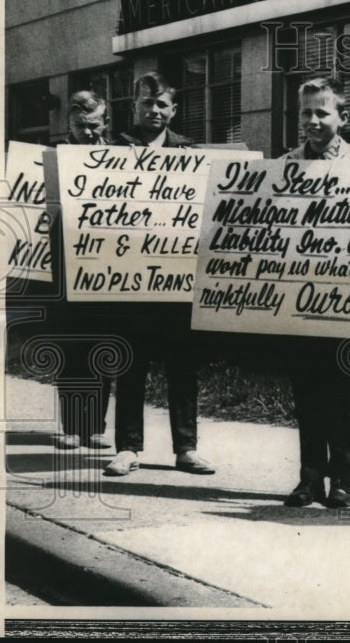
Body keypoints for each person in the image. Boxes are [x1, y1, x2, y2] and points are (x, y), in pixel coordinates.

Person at [104, 72, 214, 477]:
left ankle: (186, 448)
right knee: (130, 364)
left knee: (183, 365)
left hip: (177, 279)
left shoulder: (190, 152)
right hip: (130, 277)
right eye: (147, 104)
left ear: (174, 110)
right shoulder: (113, 151)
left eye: (162, 104)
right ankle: (128, 447)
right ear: (134, 107)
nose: (154, 111)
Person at [281, 77, 350, 508]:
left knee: (341, 392)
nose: (314, 120)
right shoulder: (283, 167)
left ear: (343, 117)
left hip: (346, 297)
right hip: (298, 297)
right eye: (306, 112)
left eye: (323, 112)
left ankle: (343, 478)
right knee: (306, 391)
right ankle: (309, 477)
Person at [53, 91, 114, 450]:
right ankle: (71, 427)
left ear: (105, 123)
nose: (88, 133)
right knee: (71, 347)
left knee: (103, 347)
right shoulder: (53, 158)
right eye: (80, 127)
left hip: (107, 267)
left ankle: (95, 426)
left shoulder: (120, 158)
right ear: (68, 125)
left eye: (94, 126)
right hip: (66, 265)